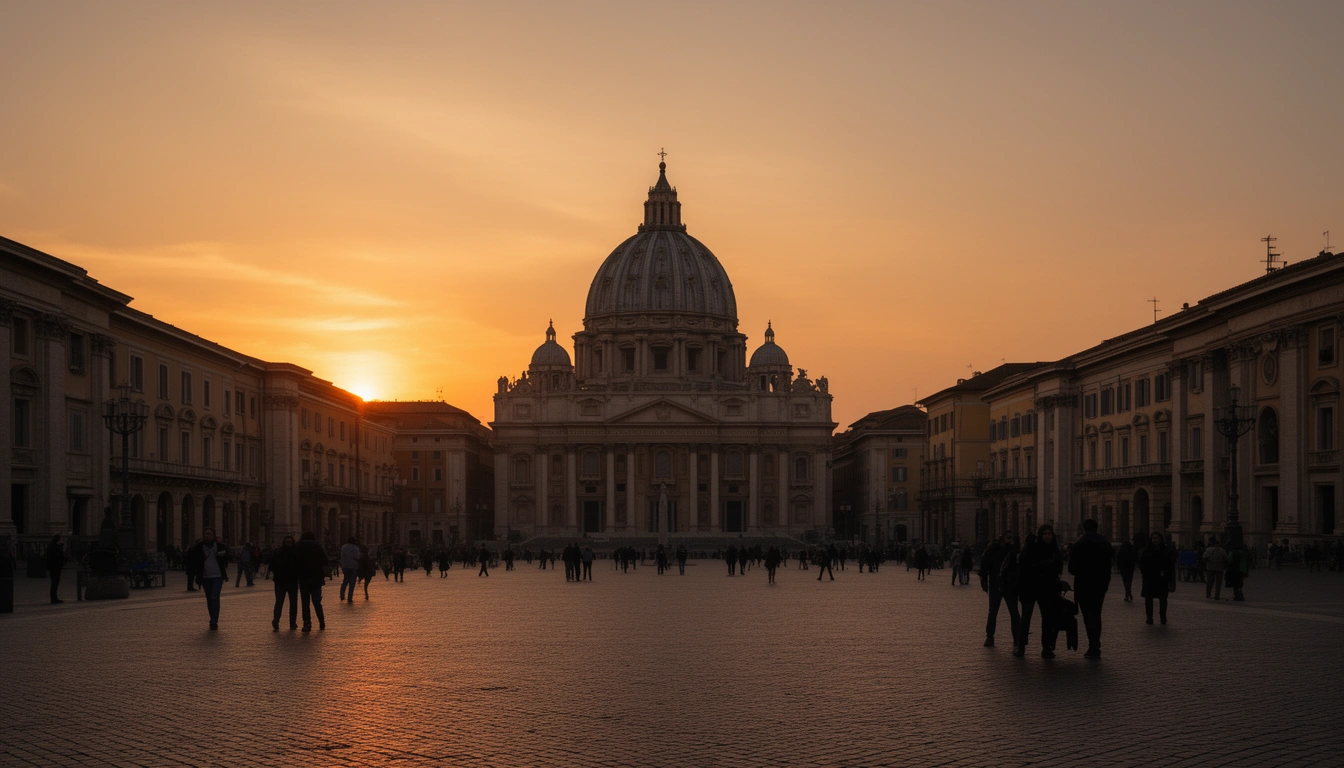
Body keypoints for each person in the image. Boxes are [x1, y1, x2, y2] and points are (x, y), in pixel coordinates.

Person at [1069, 519, 1114, 659]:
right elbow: (1110, 563)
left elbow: (1071, 569)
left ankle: (1093, 646)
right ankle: (1096, 645)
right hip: (1100, 584)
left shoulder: (1079, 545)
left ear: (1084, 529)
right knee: (1096, 613)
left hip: (1083, 584)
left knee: (1087, 615)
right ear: (1097, 528)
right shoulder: (1106, 544)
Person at [1017, 525, 1063, 658]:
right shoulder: (1032, 548)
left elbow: (1058, 568)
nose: (1048, 536)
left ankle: (1046, 647)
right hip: (1030, 588)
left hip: (1047, 589)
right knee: (1026, 618)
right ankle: (1021, 646)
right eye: (1045, 534)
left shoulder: (1055, 550)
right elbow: (1023, 563)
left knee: (1047, 618)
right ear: (1040, 535)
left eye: (1049, 534)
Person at [980, 533, 1019, 648]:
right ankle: (989, 636)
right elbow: (985, 565)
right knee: (993, 612)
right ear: (1002, 539)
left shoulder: (1014, 552)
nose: (1010, 540)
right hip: (995, 585)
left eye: (1012, 538)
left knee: (1014, 613)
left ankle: (1016, 639)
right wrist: (984, 580)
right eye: (1008, 538)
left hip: (1010, 587)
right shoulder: (993, 550)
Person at [188, 529, 231, 630]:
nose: (208, 536)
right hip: (205, 577)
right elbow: (193, 558)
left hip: (217, 576)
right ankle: (212, 617)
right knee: (209, 599)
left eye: (210, 534)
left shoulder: (219, 546)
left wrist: (221, 554)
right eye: (206, 534)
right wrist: (202, 557)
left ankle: (214, 621)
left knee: (214, 597)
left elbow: (228, 554)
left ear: (213, 535)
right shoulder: (199, 546)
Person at [296, 532, 327, 631]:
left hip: (303, 577)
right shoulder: (318, 547)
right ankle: (321, 621)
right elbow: (325, 561)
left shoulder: (298, 547)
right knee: (316, 601)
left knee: (305, 602)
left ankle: (307, 623)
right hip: (316, 577)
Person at [1139, 532, 1172, 625]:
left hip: (1162, 579)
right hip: (1149, 579)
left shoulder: (1166, 550)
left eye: (1157, 538)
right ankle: (1149, 618)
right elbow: (1141, 564)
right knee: (1149, 600)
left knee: (1163, 599)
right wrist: (1146, 573)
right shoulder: (1146, 550)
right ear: (1151, 539)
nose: (1155, 540)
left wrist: (1170, 579)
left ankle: (1163, 617)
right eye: (1154, 538)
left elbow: (1170, 566)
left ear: (1160, 539)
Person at [269, 536, 300, 631]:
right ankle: (276, 621)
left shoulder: (295, 553)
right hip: (282, 581)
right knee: (279, 602)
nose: (289, 544)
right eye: (287, 542)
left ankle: (292, 622)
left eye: (290, 542)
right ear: (284, 542)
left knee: (292, 603)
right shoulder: (281, 553)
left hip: (290, 581)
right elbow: (272, 565)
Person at [44, 534, 67, 604]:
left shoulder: (51, 547)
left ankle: (54, 598)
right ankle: (54, 598)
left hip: (52, 567)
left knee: (54, 583)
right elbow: (60, 556)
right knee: (55, 583)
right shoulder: (56, 548)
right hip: (56, 567)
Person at [338, 537, 360, 604]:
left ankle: (342, 594)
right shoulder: (355, 548)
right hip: (353, 566)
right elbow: (356, 557)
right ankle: (349, 598)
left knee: (345, 581)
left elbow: (342, 556)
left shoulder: (344, 547)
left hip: (345, 566)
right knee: (352, 582)